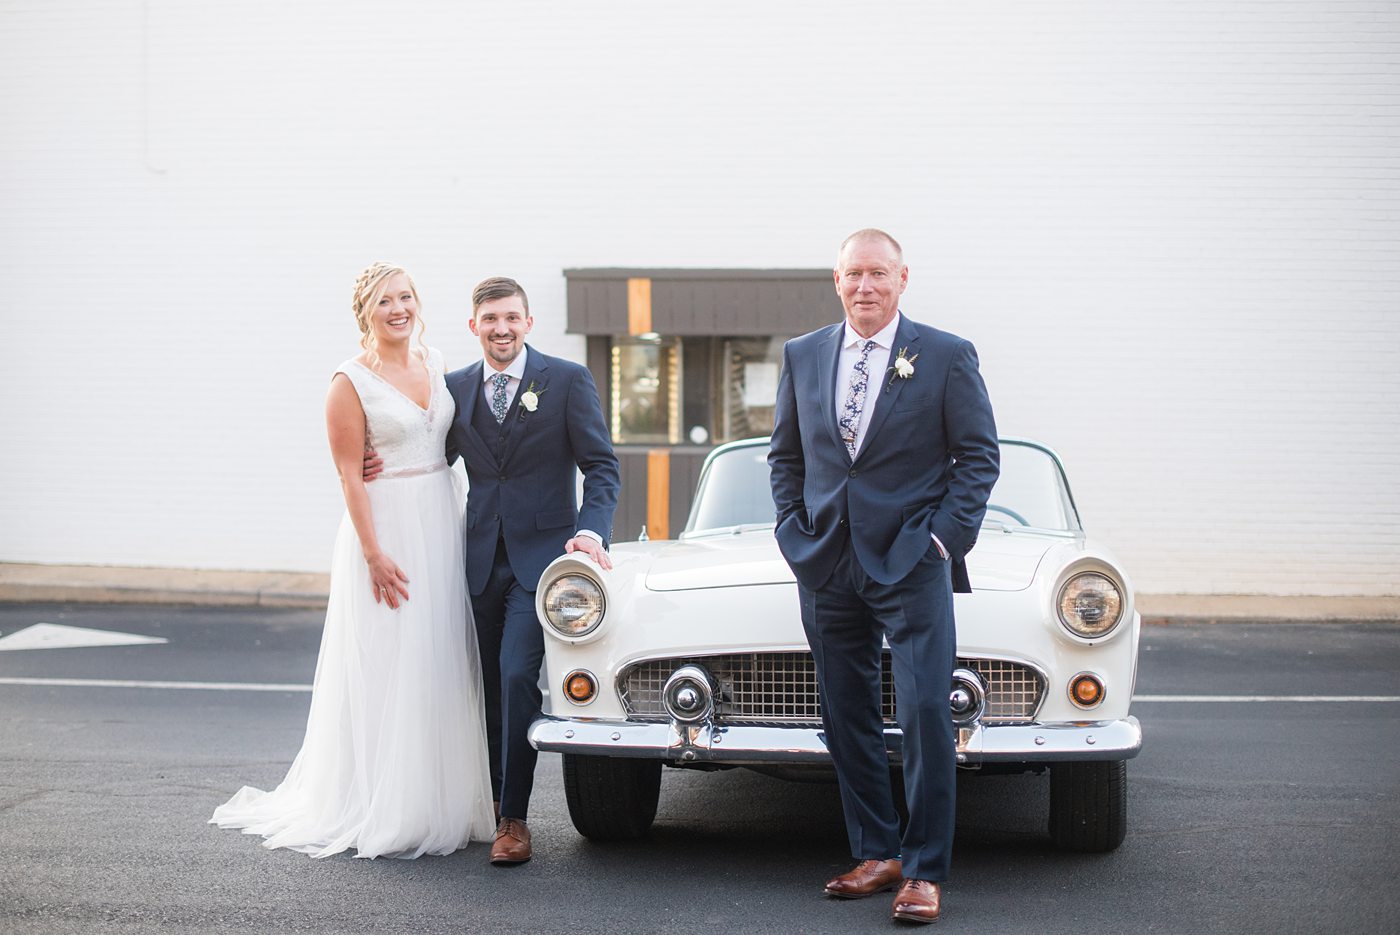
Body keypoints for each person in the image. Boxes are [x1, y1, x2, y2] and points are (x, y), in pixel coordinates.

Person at [210, 263, 496, 859]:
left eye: (407, 297)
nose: (399, 308)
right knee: (391, 660)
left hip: (442, 519)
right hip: (386, 529)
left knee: (439, 657)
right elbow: (348, 474)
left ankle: (444, 799)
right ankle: (383, 803)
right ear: (365, 310)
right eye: (386, 300)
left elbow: (450, 440)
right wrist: (373, 553)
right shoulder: (349, 380)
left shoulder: (437, 362)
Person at [767, 229, 999, 924]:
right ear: (836, 281)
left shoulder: (946, 355)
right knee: (846, 712)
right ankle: (877, 851)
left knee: (926, 709)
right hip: (826, 562)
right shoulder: (803, 354)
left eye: (878, 273)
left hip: (911, 561)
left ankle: (925, 869)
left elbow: (978, 458)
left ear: (902, 280)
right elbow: (787, 457)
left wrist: (939, 540)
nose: (865, 285)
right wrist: (792, 530)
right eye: (853, 274)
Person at [369, 276, 620, 865]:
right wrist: (371, 453)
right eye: (490, 320)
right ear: (473, 326)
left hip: (541, 566)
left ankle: (514, 818)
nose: (501, 329)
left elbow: (601, 467)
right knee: (480, 685)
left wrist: (590, 532)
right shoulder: (452, 389)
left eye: (512, 318)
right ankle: (485, 803)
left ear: (528, 323)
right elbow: (427, 454)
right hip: (475, 560)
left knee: (514, 677)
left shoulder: (566, 381)